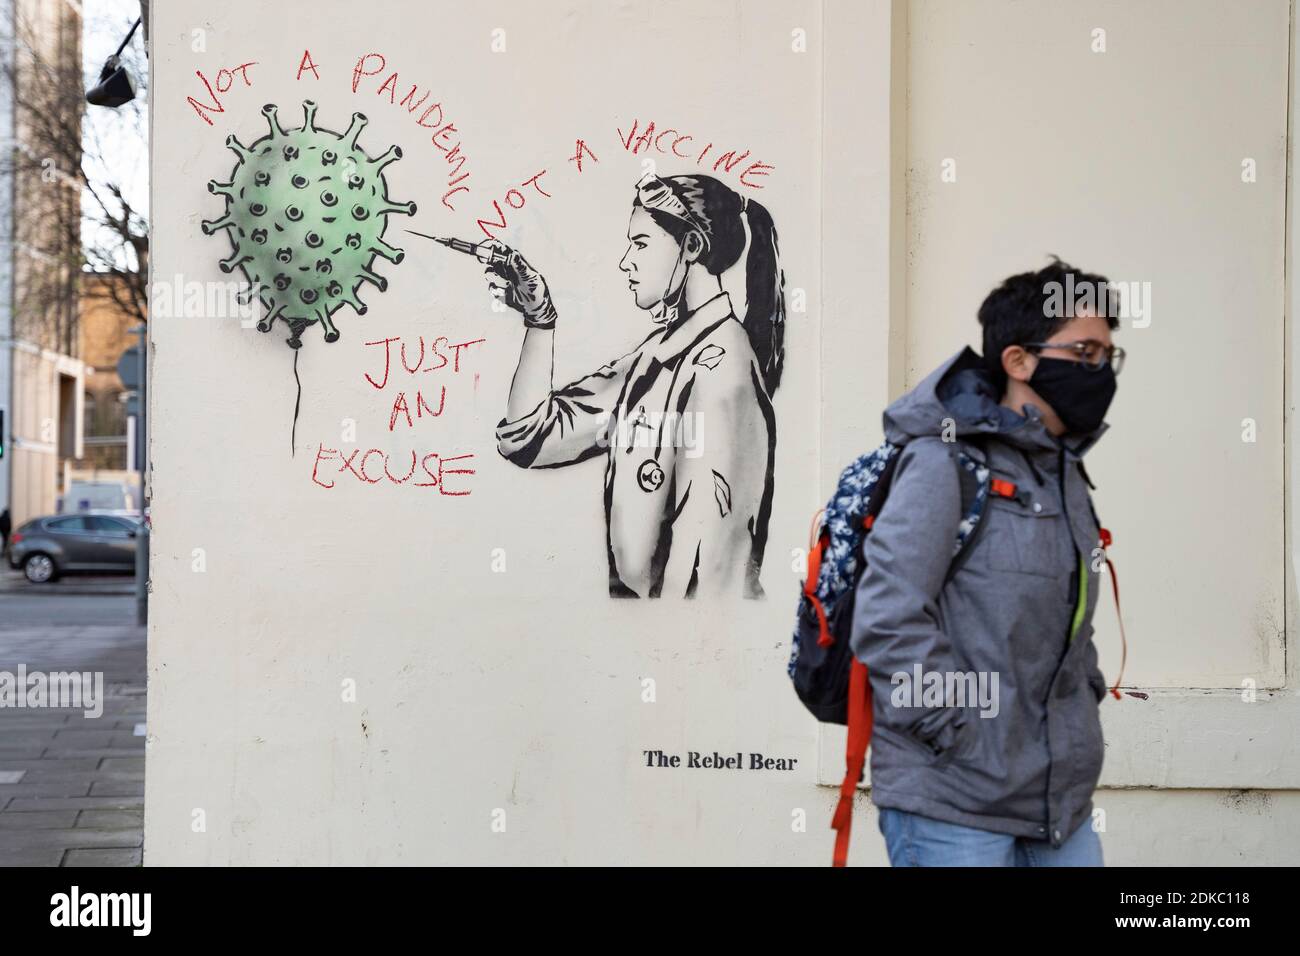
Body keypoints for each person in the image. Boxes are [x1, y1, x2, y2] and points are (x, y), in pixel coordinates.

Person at [851, 257, 1123, 866]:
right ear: (1018, 361)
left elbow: (1067, 618)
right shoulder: (944, 461)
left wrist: (1081, 703)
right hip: (956, 801)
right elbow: (889, 617)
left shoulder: (1063, 472)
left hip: (1057, 805)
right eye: (1083, 353)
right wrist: (958, 733)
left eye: (1107, 355)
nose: (1098, 370)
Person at [486, 173, 785, 598]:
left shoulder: (723, 373)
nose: (626, 261)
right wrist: (540, 319)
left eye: (641, 243)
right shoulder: (655, 358)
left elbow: (710, 584)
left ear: (692, 247)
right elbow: (529, 437)